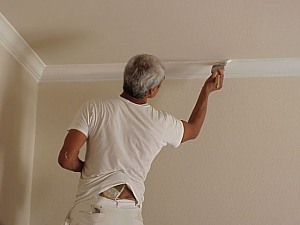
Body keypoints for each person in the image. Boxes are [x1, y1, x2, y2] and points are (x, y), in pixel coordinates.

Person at [58, 54, 224, 225]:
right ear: (152, 90)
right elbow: (193, 129)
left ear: (126, 78)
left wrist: (89, 168)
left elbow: (66, 159)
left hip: (93, 210)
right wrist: (206, 90)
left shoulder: (94, 108)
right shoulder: (161, 122)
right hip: (130, 215)